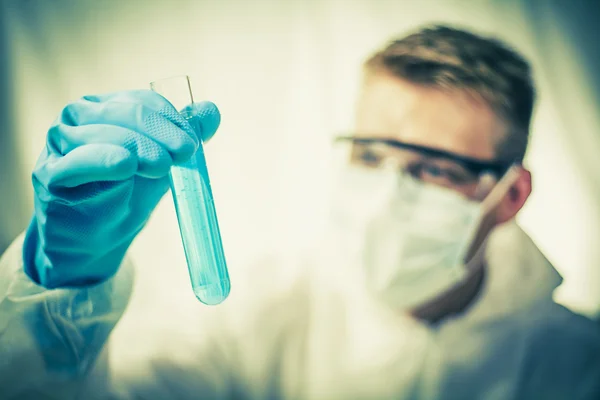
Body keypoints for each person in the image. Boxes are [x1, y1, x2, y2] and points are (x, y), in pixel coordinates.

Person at [0, 25, 599, 400]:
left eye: (433, 168)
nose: (387, 193)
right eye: (369, 154)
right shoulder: (261, 315)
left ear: (511, 197)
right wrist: (66, 285)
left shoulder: (579, 364)